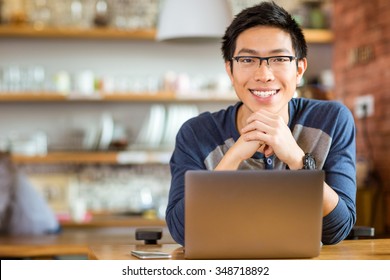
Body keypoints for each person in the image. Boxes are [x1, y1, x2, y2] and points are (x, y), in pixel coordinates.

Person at [166, 1, 356, 246]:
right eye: (247, 60)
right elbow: (183, 232)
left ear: (299, 70)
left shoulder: (332, 120)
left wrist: (298, 160)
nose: (264, 75)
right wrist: (233, 157)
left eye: (278, 59)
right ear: (230, 70)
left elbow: (337, 229)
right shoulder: (196, 133)